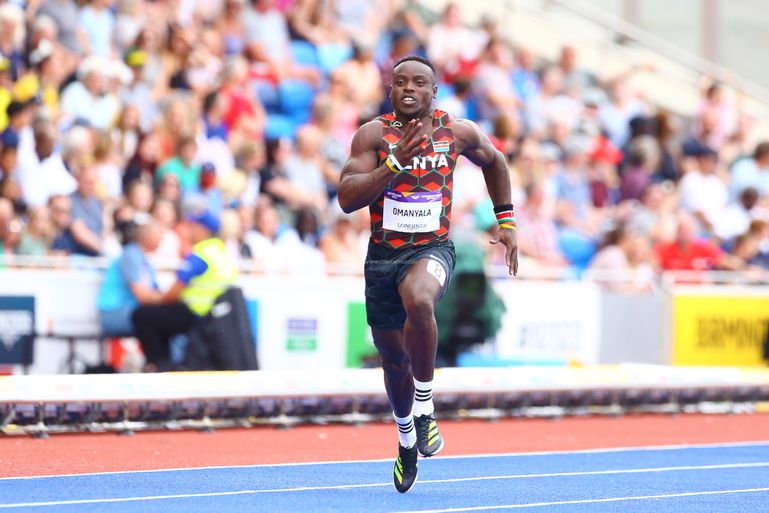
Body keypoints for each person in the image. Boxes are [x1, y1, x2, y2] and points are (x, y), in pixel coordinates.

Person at [337, 55, 518, 493]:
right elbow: (346, 197)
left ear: (433, 91)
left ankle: (425, 405)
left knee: (420, 300)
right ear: (391, 89)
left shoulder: (456, 131)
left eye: (420, 83)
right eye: (401, 82)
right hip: (383, 257)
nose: (409, 90)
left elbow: (495, 161)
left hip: (432, 248)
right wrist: (393, 164)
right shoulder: (372, 135)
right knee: (393, 359)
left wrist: (507, 223)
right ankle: (405, 439)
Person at [131, 210, 238, 371]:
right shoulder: (220, 251)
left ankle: (159, 364)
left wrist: (155, 298)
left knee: (142, 315)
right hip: (216, 316)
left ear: (202, 229)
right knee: (161, 316)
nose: (188, 229)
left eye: (192, 226)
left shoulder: (201, 255)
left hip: (198, 313)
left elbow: (174, 293)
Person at [97, 220, 164, 336]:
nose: (161, 239)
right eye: (158, 234)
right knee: (163, 320)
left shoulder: (145, 261)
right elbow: (142, 295)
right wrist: (168, 298)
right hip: (115, 314)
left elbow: (154, 292)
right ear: (147, 236)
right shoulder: (131, 255)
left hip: (131, 311)